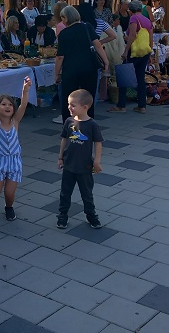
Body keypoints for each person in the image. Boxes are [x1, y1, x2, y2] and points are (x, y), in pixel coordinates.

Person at [0, 77, 31, 222]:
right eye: (3, 104)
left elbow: (23, 105)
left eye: (10, 104)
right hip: (0, 162)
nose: (7, 106)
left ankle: (9, 207)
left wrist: (25, 90)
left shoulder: (15, 121)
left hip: (14, 162)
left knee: (9, 193)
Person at [56, 89, 103, 230]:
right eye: (68, 104)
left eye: (73, 105)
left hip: (85, 167)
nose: (69, 107)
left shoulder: (92, 124)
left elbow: (98, 143)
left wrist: (96, 161)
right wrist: (60, 157)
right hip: (69, 165)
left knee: (87, 193)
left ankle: (91, 215)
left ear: (85, 107)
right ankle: (62, 215)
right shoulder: (68, 122)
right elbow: (64, 140)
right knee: (65, 192)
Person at [55, 6, 109, 123]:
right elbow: (98, 45)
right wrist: (106, 61)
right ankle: (88, 124)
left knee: (69, 98)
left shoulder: (63, 33)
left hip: (70, 70)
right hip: (89, 68)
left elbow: (60, 57)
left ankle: (69, 124)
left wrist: (56, 74)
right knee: (88, 97)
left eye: (62, 18)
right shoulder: (87, 27)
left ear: (66, 18)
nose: (62, 21)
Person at [109, 0, 152, 114]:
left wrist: (126, 50)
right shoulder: (147, 20)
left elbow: (132, 35)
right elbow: (150, 37)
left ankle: (121, 105)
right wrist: (150, 52)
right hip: (145, 51)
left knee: (123, 76)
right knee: (140, 78)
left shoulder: (134, 18)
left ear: (131, 10)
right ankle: (142, 106)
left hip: (134, 52)